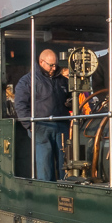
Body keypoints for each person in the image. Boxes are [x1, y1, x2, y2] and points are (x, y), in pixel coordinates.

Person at [15, 49, 70, 181]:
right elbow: (20, 104)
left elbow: (69, 99)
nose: (54, 68)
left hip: (61, 126)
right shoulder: (27, 81)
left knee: (65, 163)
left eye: (56, 65)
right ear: (41, 62)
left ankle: (65, 188)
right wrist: (29, 125)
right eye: (51, 65)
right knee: (44, 163)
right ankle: (46, 193)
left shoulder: (62, 80)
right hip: (40, 126)